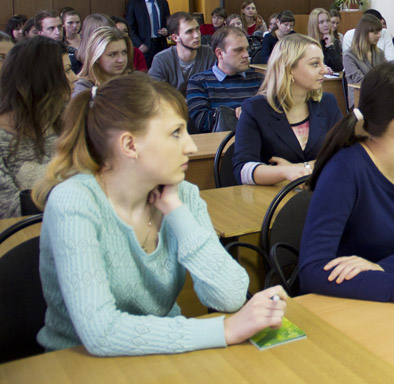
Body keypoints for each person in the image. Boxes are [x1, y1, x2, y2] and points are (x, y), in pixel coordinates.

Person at [32, 73, 285, 356]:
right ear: (130, 145)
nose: (190, 146)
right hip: (75, 364)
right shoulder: (75, 200)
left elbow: (229, 296)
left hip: (162, 352)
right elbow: (101, 333)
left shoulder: (182, 194)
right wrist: (223, 331)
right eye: (176, 133)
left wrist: (176, 211)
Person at [298, 62, 394, 307]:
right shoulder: (345, 171)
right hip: (342, 304)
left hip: (383, 296)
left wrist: (382, 269)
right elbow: (312, 271)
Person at [233, 34, 342, 185]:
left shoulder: (327, 102)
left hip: (322, 191)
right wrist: (285, 172)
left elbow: (345, 154)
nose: (324, 70)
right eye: (315, 64)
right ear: (289, 69)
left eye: (322, 63)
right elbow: (242, 170)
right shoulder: (255, 109)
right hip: (273, 199)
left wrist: (302, 168)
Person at [0, 37, 69, 218]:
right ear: (42, 83)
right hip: (20, 239)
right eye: (67, 71)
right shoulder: (2, 137)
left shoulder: (66, 120)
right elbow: (8, 209)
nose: (76, 77)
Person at [186, 27, 264, 134]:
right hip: (218, 145)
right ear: (219, 53)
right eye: (238, 50)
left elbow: (273, 116)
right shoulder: (199, 82)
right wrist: (246, 113)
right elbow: (202, 122)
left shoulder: (259, 79)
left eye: (246, 49)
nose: (246, 55)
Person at [148, 12, 215, 95]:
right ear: (176, 38)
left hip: (202, 105)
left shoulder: (209, 53)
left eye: (197, 29)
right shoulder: (161, 60)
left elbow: (216, 88)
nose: (197, 35)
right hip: (172, 106)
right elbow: (155, 93)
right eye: (189, 32)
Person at [71, 27, 133, 99]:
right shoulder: (83, 88)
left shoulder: (130, 81)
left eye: (124, 52)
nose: (121, 60)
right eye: (112, 54)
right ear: (96, 58)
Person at [125, 0, 170, 67]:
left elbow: (169, 22)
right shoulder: (134, 4)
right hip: (145, 44)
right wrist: (139, 44)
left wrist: (167, 30)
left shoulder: (163, 3)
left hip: (161, 43)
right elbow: (130, 27)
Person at [343, 14, 387, 107]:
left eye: (379, 32)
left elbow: (387, 74)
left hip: (379, 98)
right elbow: (360, 80)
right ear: (364, 33)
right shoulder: (349, 55)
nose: (379, 35)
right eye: (375, 33)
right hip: (360, 101)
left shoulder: (380, 53)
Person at [307, 7, 342, 73]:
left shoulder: (334, 42)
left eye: (328, 21)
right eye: (321, 22)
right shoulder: (307, 44)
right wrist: (322, 68)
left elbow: (339, 67)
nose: (326, 25)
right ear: (314, 24)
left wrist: (330, 46)